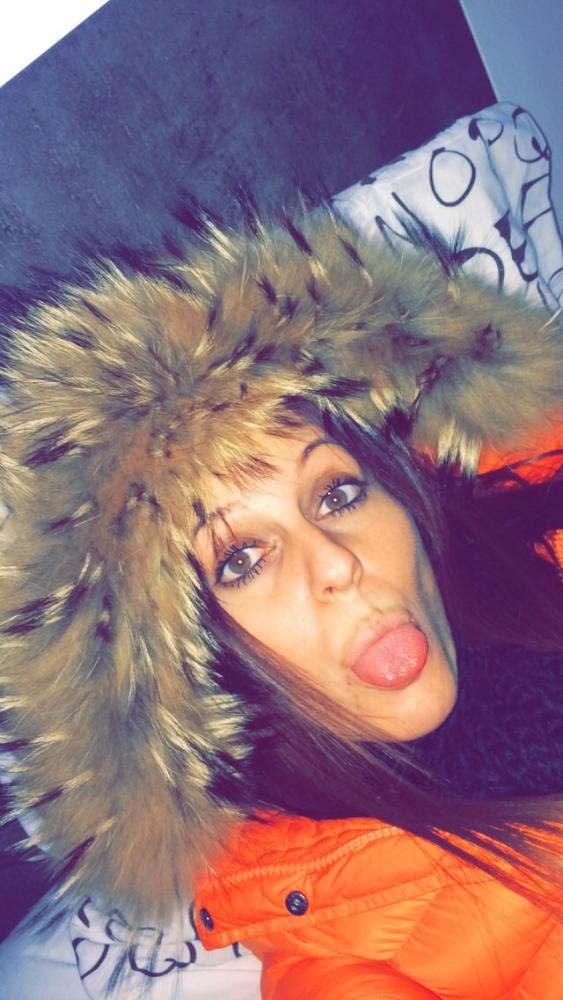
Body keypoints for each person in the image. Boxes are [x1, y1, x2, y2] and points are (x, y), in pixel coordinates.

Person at [0, 203, 562, 1000]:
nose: (336, 564)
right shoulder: (343, 966)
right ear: (195, 673)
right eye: (241, 559)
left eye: (336, 494)